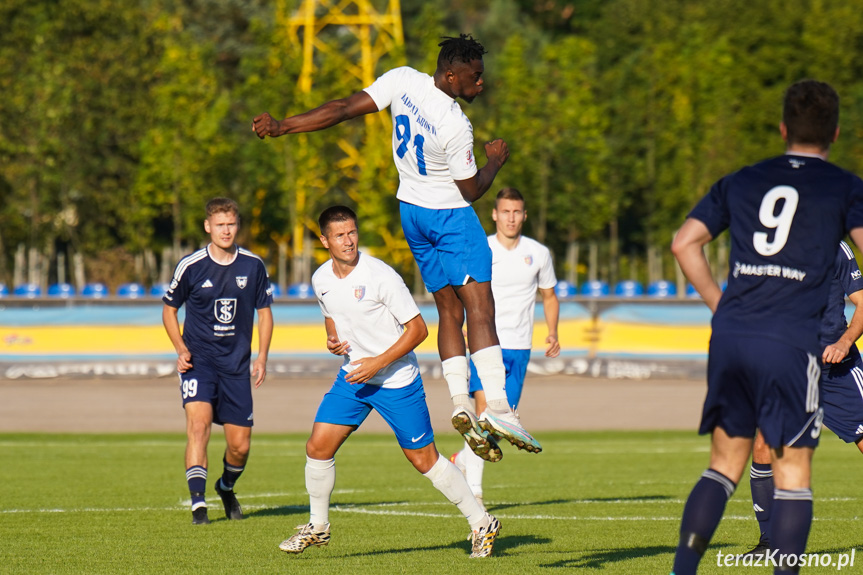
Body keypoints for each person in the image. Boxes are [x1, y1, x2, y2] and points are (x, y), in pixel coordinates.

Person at [253, 34, 541, 462]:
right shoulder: (455, 123)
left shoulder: (403, 79)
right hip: (449, 216)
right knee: (481, 308)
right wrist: (496, 159)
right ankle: (498, 407)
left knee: (448, 309)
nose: (481, 84)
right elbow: (473, 190)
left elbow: (342, 109)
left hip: (412, 212)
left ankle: (461, 402)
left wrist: (284, 126)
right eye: (475, 77)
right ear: (450, 74)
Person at [669, 79, 863, 575]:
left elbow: (683, 244)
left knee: (722, 466)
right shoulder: (842, 185)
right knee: (793, 471)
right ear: (835, 133)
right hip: (792, 343)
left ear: (782, 128)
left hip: (733, 335)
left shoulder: (743, 179)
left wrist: (720, 303)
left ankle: (682, 570)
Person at [278, 206, 500, 558]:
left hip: (396, 380)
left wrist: (377, 363)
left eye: (352, 232)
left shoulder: (381, 275)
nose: (348, 241)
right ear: (324, 241)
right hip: (353, 377)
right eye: (339, 235)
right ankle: (318, 527)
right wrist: (333, 340)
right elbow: (330, 318)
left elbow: (419, 330)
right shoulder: (321, 278)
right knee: (317, 447)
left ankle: (481, 522)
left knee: (424, 459)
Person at [741, 241, 863, 559]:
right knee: (764, 447)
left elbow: (862, 302)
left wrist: (845, 341)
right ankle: (770, 543)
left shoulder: (836, 247)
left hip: (836, 367)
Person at [162, 197, 274, 525]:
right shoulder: (191, 265)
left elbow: (265, 314)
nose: (226, 231)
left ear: (238, 226)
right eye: (220, 225)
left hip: (237, 366)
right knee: (198, 427)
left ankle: (226, 487)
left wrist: (262, 357)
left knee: (239, 446)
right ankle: (199, 505)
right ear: (208, 226)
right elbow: (169, 311)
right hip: (200, 362)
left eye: (231, 224)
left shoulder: (253, 265)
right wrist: (181, 348)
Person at [451, 188, 560, 506]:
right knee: (486, 413)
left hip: (520, 348)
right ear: (495, 215)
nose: (511, 218)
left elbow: (549, 295)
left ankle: (462, 458)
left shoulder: (538, 253)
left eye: (517, 212)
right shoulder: (480, 249)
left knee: (501, 423)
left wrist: (552, 332)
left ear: (524, 216)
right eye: (506, 212)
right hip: (486, 347)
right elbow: (462, 295)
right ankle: (475, 492)